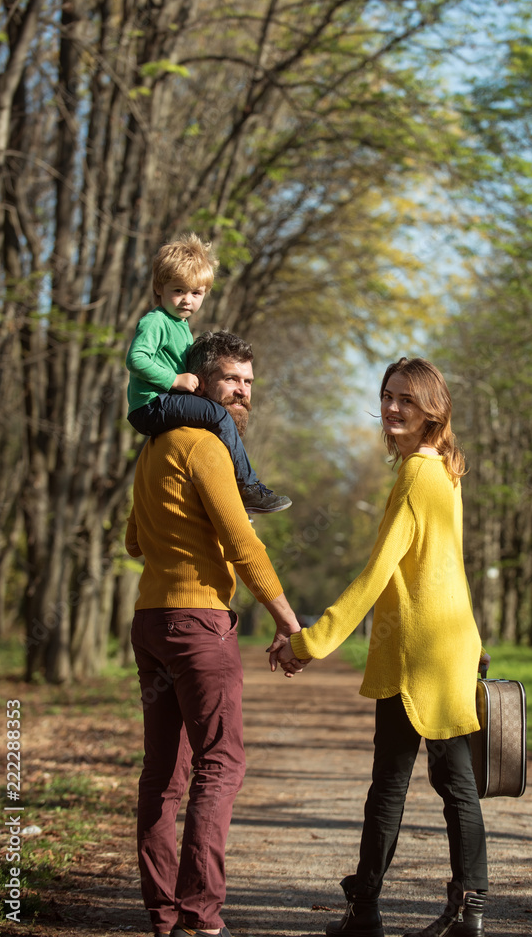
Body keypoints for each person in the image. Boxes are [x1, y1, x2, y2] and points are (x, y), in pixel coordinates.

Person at [272, 357, 490, 937]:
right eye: (387, 396)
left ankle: (367, 912)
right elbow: (446, 570)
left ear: (431, 412)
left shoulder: (419, 477)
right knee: (454, 785)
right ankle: (465, 912)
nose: (392, 408)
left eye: (406, 401)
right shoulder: (445, 471)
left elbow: (376, 574)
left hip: (420, 653)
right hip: (448, 648)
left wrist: (311, 642)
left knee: (392, 789)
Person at [125, 329, 302, 937]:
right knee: (220, 764)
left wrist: (176, 529)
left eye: (249, 382)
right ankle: (202, 917)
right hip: (199, 623)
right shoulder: (205, 449)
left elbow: (131, 541)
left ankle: (162, 914)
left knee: (162, 773)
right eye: (232, 380)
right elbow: (243, 545)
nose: (243, 392)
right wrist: (287, 620)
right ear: (198, 379)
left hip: (150, 622)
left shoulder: (152, 449)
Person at [126, 232, 290, 514]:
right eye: (178, 290)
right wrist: (174, 380)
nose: (186, 300)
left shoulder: (181, 326)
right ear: (159, 288)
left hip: (161, 404)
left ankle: (222, 482)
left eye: (195, 293)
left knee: (209, 418)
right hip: (150, 405)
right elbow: (135, 358)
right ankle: (247, 487)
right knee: (217, 414)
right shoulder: (156, 321)